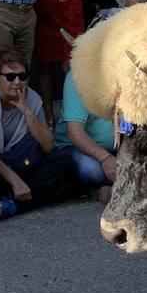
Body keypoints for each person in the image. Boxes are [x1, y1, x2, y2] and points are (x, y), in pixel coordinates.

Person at [0, 53, 79, 219]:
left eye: (22, 76)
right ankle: (17, 199)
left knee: (63, 160)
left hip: (20, 162)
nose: (17, 82)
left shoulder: (32, 98)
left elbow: (48, 145)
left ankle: (11, 204)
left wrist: (27, 111)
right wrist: (15, 181)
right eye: (10, 77)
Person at [55, 69, 117, 204]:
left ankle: (109, 189)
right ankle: (93, 190)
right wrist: (106, 159)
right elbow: (74, 133)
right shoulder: (79, 76)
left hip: (115, 148)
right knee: (92, 171)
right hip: (77, 148)